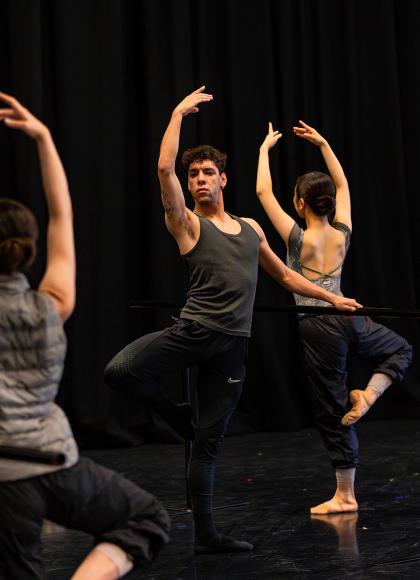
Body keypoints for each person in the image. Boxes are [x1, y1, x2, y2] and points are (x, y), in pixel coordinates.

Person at [104, 87, 361, 554]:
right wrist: (178, 113)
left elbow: (284, 274)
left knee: (208, 447)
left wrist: (332, 301)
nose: (199, 179)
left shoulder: (250, 228)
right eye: (194, 175)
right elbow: (163, 168)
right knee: (119, 371)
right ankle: (178, 418)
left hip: (233, 346)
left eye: (207, 173)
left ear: (224, 179)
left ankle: (206, 536)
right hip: (192, 333)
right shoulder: (187, 225)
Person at [0, 92, 170, 580]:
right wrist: (44, 139)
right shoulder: (53, 304)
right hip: (51, 466)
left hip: (9, 479)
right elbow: (62, 217)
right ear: (27, 252)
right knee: (147, 519)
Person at [256, 120, 412, 514]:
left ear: (301, 203)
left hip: (319, 326)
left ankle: (345, 495)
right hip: (351, 316)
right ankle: (372, 394)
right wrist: (324, 143)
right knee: (401, 349)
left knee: (331, 406)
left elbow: (262, 191)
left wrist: (263, 151)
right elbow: (342, 185)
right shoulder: (343, 231)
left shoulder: (296, 237)